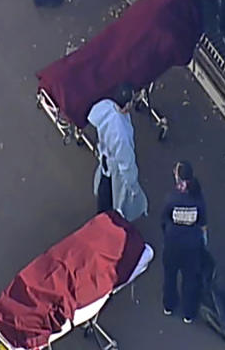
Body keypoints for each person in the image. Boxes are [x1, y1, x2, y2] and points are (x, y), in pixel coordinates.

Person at [87, 83, 149, 222]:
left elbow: (93, 116)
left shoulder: (106, 106)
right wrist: (133, 185)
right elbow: (126, 163)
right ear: (127, 105)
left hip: (105, 158)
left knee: (104, 190)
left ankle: (102, 221)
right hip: (114, 166)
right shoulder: (121, 134)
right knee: (116, 200)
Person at [161, 161, 208, 324]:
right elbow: (203, 222)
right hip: (192, 247)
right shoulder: (197, 198)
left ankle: (169, 305)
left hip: (173, 244)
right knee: (190, 280)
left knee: (170, 276)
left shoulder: (171, 199)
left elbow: (164, 221)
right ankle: (188, 312)